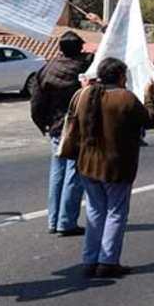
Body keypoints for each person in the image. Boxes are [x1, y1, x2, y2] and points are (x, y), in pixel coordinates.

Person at [70, 58, 154, 279]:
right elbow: (149, 120)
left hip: (88, 163)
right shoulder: (125, 97)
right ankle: (107, 261)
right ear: (120, 77)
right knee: (116, 213)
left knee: (94, 211)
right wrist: (150, 96)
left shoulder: (86, 95)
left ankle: (90, 260)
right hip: (116, 165)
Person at [30, 30, 93, 237]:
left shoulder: (46, 69)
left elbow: (36, 102)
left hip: (57, 127)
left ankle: (53, 220)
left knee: (57, 174)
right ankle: (66, 222)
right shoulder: (86, 66)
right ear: (80, 48)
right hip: (79, 127)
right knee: (74, 175)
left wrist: (43, 124)